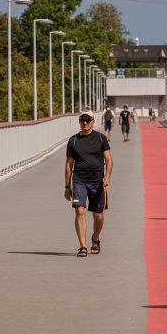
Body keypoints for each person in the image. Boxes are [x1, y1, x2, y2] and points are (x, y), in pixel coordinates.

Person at [64, 110, 113, 257]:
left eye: (87, 120)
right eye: (82, 120)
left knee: (98, 215)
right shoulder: (73, 140)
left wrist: (107, 176)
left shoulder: (101, 138)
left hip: (97, 181)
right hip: (79, 180)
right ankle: (82, 246)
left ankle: (95, 239)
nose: (84, 123)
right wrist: (67, 186)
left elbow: (109, 160)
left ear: (92, 121)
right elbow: (68, 164)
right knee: (80, 211)